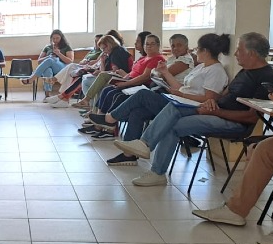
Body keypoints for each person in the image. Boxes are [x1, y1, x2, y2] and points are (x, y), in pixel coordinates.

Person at [115, 32, 273, 186]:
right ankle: (148, 152)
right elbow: (225, 95)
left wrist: (216, 111)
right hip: (216, 112)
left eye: (239, 50)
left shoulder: (267, 77)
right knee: (172, 111)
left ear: (252, 53)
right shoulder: (245, 71)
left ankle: (153, 163)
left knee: (172, 121)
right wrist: (212, 103)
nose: (235, 54)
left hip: (234, 123)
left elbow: (251, 117)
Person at [90, 33, 229, 165]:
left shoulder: (216, 70)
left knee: (143, 94)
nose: (195, 51)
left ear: (205, 51)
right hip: (179, 100)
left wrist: (181, 95)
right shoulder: (201, 67)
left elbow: (208, 99)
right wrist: (165, 73)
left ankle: (110, 119)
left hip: (187, 107)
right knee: (137, 112)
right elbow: (183, 88)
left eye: (198, 48)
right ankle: (129, 155)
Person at [47, 34, 131, 108]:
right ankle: (65, 97)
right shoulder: (110, 53)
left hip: (119, 78)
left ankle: (67, 97)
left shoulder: (116, 53)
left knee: (84, 77)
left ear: (109, 45)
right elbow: (104, 71)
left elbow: (116, 71)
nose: (103, 51)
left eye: (104, 48)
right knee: (81, 75)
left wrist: (99, 70)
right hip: (104, 74)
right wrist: (102, 61)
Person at [22, 29, 73, 97]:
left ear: (61, 38)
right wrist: (48, 57)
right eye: (53, 38)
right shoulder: (47, 47)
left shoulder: (66, 47)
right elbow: (39, 61)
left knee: (50, 60)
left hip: (62, 68)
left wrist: (59, 54)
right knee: (47, 70)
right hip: (50, 66)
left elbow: (70, 61)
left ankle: (32, 78)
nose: (55, 40)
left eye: (57, 38)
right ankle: (47, 95)